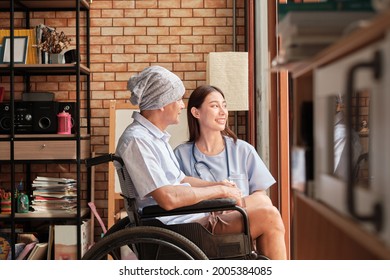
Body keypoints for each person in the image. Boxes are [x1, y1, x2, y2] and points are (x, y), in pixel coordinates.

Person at [115, 66, 242, 228]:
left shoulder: (155, 138)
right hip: (176, 227)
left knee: (263, 205)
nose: (182, 106)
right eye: (178, 99)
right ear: (162, 103)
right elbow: (168, 198)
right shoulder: (137, 140)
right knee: (266, 215)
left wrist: (218, 185)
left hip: (187, 218)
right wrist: (221, 192)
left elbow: (180, 180)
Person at [174, 85, 287, 260]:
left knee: (264, 200)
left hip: (237, 218)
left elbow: (260, 194)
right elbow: (177, 194)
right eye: (214, 106)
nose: (223, 112)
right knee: (269, 213)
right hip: (202, 227)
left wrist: (231, 208)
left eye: (224, 105)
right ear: (196, 113)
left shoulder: (242, 150)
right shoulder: (181, 154)